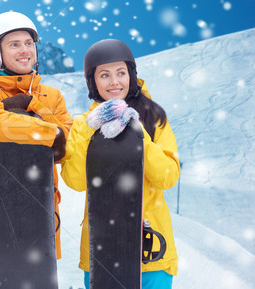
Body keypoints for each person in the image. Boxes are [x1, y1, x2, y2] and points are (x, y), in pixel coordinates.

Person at [0, 11, 73, 289]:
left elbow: (65, 147)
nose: (25, 50)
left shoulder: (52, 97)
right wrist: (48, 131)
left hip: (39, 221)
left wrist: (35, 107)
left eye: (28, 43)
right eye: (14, 44)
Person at [61, 38, 180, 288]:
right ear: (92, 81)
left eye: (121, 73)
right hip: (101, 249)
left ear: (132, 75)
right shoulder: (84, 124)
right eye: (104, 75)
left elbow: (167, 177)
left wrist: (138, 134)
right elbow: (75, 181)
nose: (114, 82)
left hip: (151, 251)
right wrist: (88, 130)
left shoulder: (154, 117)